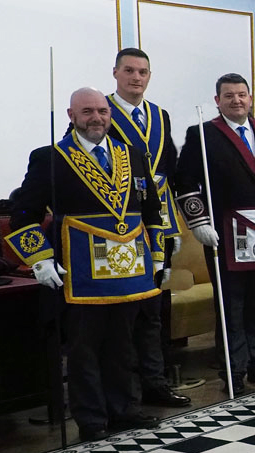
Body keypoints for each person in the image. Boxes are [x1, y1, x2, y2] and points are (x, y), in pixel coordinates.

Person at [5, 87, 163, 441]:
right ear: (71, 115)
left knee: (123, 344)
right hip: (81, 276)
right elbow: (23, 216)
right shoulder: (50, 157)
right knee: (84, 349)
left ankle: (124, 410)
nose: (97, 118)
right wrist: (41, 259)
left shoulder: (133, 155)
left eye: (102, 111)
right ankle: (92, 420)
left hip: (131, 272)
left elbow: (151, 211)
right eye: (88, 111)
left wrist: (158, 255)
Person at [175, 73, 255, 394]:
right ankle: (234, 370)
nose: (237, 100)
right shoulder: (203, 135)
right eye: (229, 96)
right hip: (224, 233)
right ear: (218, 101)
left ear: (250, 97)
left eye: (242, 95)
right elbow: (184, 182)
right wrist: (199, 222)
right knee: (231, 306)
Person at [104, 47, 191, 408]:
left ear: (149, 77)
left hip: (160, 222)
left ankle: (156, 380)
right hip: (119, 223)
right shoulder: (99, 112)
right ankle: (125, 387)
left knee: (154, 307)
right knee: (125, 311)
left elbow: (169, 162)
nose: (136, 77)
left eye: (142, 72)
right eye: (129, 71)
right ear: (116, 73)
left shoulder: (159, 115)